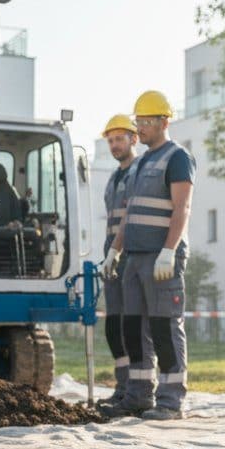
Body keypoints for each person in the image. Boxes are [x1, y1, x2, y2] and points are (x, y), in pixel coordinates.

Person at [100, 90, 195, 420]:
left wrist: (169, 251)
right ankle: (138, 396)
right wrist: (115, 251)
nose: (140, 127)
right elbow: (129, 213)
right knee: (133, 329)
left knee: (164, 327)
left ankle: (170, 401)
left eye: (146, 121)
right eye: (138, 120)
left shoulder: (177, 157)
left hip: (161, 259)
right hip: (134, 259)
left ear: (164, 122)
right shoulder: (139, 164)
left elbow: (182, 207)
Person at [97, 114, 138, 408]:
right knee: (114, 327)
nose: (114, 145)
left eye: (119, 138)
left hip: (132, 258)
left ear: (133, 139)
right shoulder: (113, 178)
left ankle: (136, 388)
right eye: (110, 140)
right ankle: (122, 385)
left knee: (134, 327)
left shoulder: (140, 173)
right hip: (112, 260)